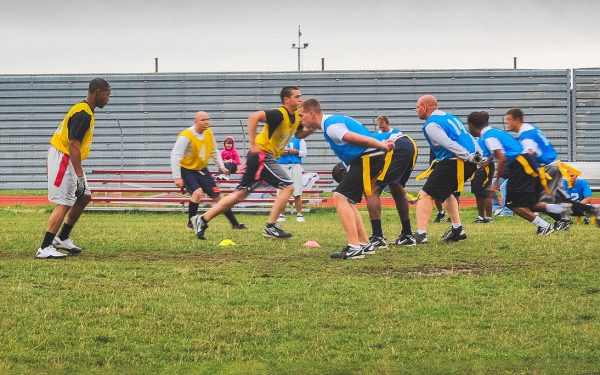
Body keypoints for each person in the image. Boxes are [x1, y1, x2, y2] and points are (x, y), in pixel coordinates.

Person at [191, 86, 302, 240]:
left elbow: (299, 133)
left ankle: (201, 219)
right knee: (288, 186)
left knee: (239, 195)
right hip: (262, 156)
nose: (300, 99)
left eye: (300, 96)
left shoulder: (295, 117)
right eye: (297, 96)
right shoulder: (278, 114)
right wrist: (252, 143)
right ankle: (271, 226)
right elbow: (254, 117)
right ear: (286, 99)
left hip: (261, 157)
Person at [296, 98, 394, 260]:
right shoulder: (329, 122)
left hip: (368, 157)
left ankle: (354, 247)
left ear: (311, 114)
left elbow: (354, 138)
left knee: (339, 197)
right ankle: (363, 244)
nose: (300, 119)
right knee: (347, 200)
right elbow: (299, 133)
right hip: (367, 158)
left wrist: (381, 144)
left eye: (301, 115)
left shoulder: (331, 126)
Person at [35, 78, 111, 259]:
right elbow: (73, 146)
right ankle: (44, 247)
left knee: (84, 196)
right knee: (65, 202)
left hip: (66, 156)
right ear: (97, 92)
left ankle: (62, 238)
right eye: (107, 94)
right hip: (64, 157)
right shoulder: (83, 113)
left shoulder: (85, 110)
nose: (108, 99)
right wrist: (80, 177)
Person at [468, 110, 568, 235]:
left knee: (512, 203)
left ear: (472, 125)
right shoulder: (493, 132)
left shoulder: (488, 136)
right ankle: (560, 214)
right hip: (523, 163)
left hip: (521, 164)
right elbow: (501, 151)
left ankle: (547, 224)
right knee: (528, 201)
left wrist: (495, 182)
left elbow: (502, 158)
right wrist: (490, 160)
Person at [504, 108, 599, 230]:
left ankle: (584, 213)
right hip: (550, 167)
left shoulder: (526, 135)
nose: (507, 122)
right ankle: (573, 216)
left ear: (517, 119)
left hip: (546, 169)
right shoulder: (529, 129)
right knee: (538, 202)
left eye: (509, 119)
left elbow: (529, 156)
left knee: (545, 202)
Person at [412, 95, 481, 244]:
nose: (416, 110)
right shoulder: (451, 118)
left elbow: (448, 143)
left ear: (424, 107)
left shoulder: (431, 124)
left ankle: (421, 234)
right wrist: (477, 154)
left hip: (455, 161)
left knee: (425, 195)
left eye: (417, 107)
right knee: (446, 193)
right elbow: (467, 136)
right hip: (466, 161)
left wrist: (467, 156)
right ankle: (458, 230)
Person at [170, 111, 246, 231]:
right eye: (203, 120)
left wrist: (222, 167)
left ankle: (235, 224)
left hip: (202, 169)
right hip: (187, 170)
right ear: (196, 122)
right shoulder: (186, 135)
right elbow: (175, 155)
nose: (207, 122)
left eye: (208, 119)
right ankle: (191, 224)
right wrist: (177, 177)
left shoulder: (209, 133)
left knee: (219, 197)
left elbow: (214, 151)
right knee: (197, 192)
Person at [366, 130, 418, 247]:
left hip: (396, 146)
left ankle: (377, 237)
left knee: (372, 189)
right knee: (396, 186)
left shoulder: (349, 156)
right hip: (410, 144)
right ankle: (407, 234)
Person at [277, 135, 308, 222]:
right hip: (281, 166)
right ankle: (281, 214)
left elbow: (304, 153)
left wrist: (295, 151)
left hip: (295, 166)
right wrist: (281, 152)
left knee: (297, 191)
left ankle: (299, 214)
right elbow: (273, 152)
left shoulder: (299, 138)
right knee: (281, 191)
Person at [472, 136, 495, 223]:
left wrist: (487, 162)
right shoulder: (472, 138)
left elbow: (494, 152)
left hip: (485, 166)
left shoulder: (486, 137)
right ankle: (481, 217)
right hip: (475, 165)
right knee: (477, 193)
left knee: (485, 192)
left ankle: (489, 217)